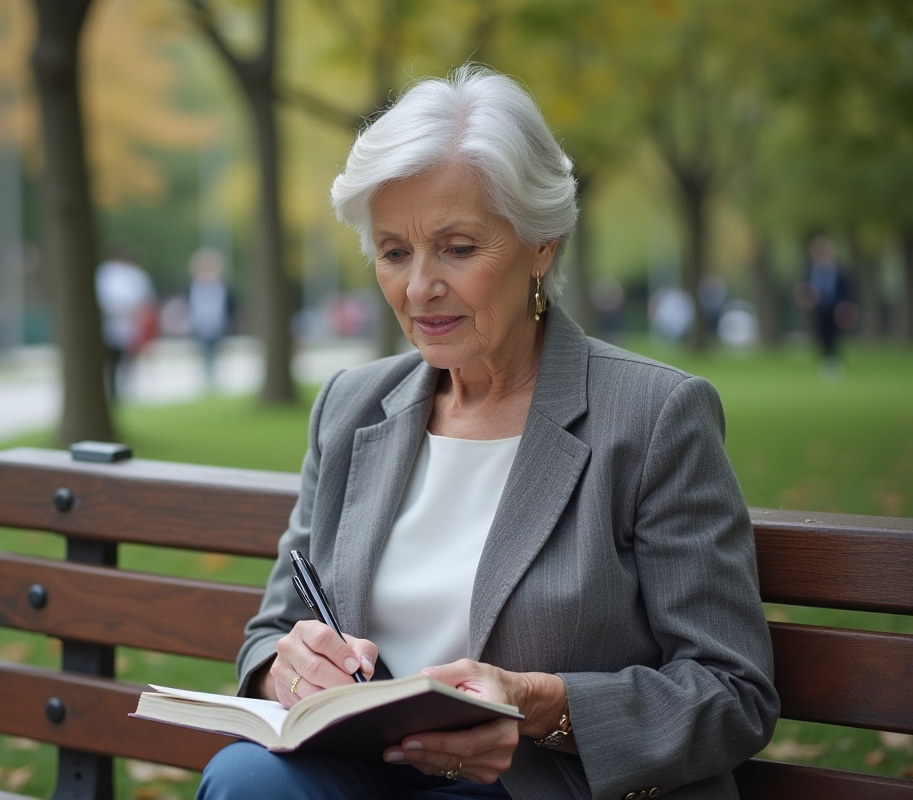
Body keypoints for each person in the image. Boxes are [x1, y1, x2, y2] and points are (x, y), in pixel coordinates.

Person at [197, 66, 777, 800]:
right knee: (246, 779)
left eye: (459, 248)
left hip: (539, 782)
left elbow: (731, 691)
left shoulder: (655, 415)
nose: (420, 288)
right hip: (365, 768)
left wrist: (546, 709)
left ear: (542, 244)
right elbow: (274, 629)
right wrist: (287, 670)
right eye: (394, 252)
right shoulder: (351, 406)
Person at [95, 247, 157, 402]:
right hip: (119, 327)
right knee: (119, 362)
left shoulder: (120, 274)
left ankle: (117, 390)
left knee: (119, 362)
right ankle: (117, 390)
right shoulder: (128, 275)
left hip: (126, 328)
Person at [794, 236, 855, 380]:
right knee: (821, 335)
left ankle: (834, 362)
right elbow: (804, 289)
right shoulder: (810, 271)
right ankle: (825, 362)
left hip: (836, 308)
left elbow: (846, 291)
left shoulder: (838, 271)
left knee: (834, 336)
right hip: (818, 309)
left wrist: (846, 306)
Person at [187, 247, 232, 391]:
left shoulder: (221, 287)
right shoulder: (194, 287)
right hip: (200, 325)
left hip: (218, 325)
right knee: (205, 354)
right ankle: (207, 380)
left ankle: (214, 380)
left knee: (215, 354)